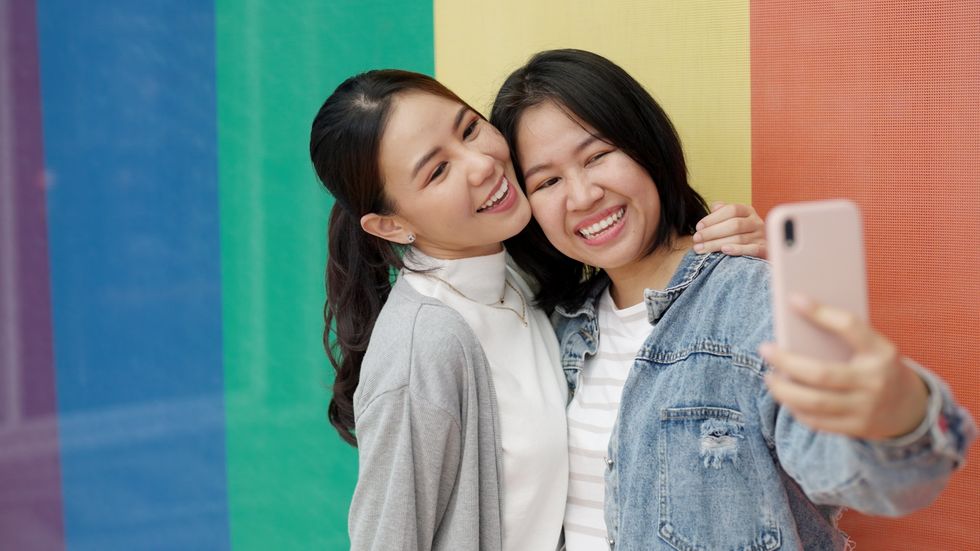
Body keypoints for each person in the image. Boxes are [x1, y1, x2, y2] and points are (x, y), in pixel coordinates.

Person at [490, 48, 976, 551]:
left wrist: (902, 417)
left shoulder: (750, 301)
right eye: (546, 181)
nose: (582, 195)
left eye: (597, 156)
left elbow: (861, 477)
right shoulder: (554, 325)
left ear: (646, 146)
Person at [309, 70, 764, 550]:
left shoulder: (527, 275)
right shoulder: (424, 344)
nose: (480, 164)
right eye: (438, 171)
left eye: (468, 129)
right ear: (391, 225)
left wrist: (734, 251)